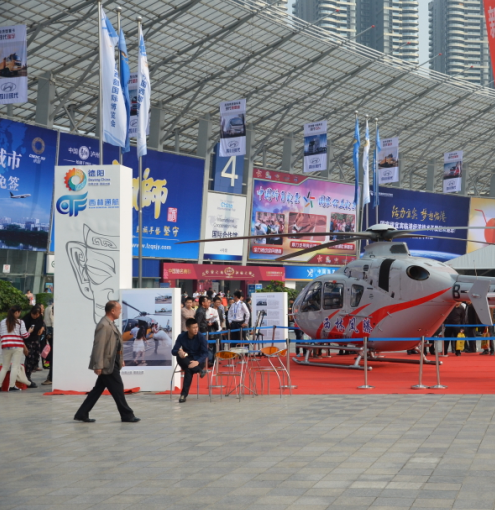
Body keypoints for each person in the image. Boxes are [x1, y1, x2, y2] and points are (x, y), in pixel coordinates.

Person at [74, 301, 139, 423]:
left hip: (111, 361)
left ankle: (82, 413)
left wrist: (120, 360)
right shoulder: (104, 325)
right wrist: (98, 365)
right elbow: (99, 346)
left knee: (97, 390)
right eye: (119, 309)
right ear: (112, 311)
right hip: (106, 363)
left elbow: (116, 345)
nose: (120, 312)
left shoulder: (110, 324)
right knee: (118, 388)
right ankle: (127, 415)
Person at [172, 318, 208, 403]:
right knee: (179, 357)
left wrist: (198, 361)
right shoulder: (181, 336)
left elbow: (205, 353)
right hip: (186, 359)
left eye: (197, 327)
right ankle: (199, 371)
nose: (196, 329)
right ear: (187, 328)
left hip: (197, 360)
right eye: (193, 327)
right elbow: (173, 351)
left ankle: (183, 395)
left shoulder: (201, 337)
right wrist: (179, 351)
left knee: (188, 369)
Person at [0, 305, 36, 391]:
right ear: (16, 312)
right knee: (15, 366)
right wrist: (29, 331)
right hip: (17, 346)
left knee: (5, 366)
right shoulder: (20, 322)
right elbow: (25, 335)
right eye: (19, 313)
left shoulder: (2, 322)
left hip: (5, 346)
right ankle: (12, 386)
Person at [22, 306, 44, 384]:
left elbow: (42, 323)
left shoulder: (40, 317)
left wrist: (42, 328)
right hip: (28, 340)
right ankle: (27, 377)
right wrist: (24, 346)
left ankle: (30, 372)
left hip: (36, 339)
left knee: (36, 357)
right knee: (29, 358)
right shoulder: (26, 319)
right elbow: (21, 333)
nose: (35, 316)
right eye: (33, 314)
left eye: (37, 315)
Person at [42, 303, 54, 385]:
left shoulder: (48, 307)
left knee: (51, 350)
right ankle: (51, 377)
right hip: (51, 328)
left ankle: (50, 377)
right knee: (52, 352)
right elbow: (52, 318)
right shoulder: (53, 308)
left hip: (48, 328)